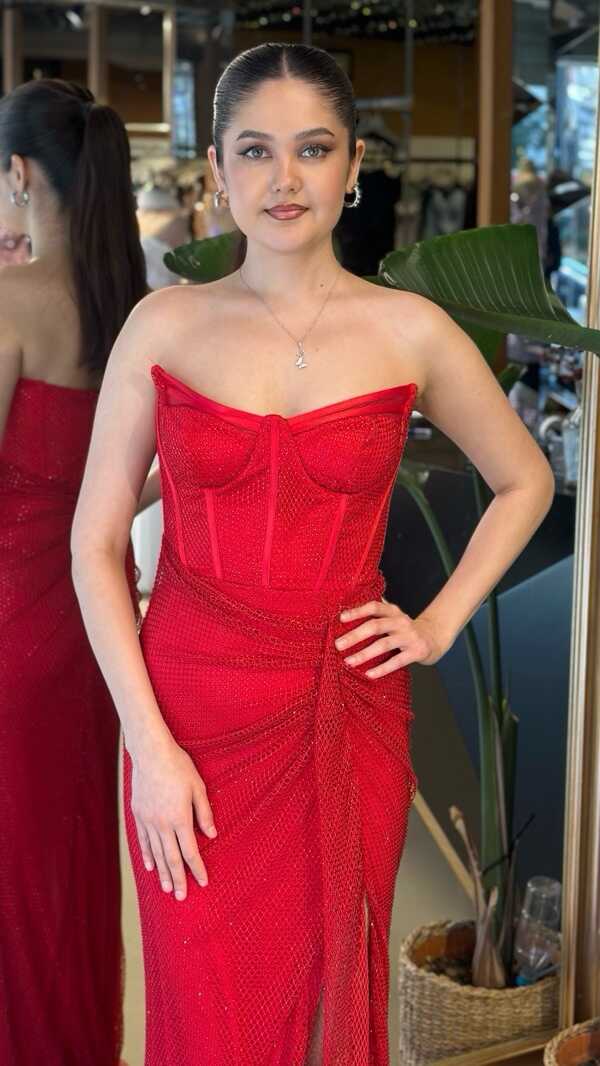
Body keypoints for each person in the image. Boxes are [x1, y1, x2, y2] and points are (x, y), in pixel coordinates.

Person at [71, 43, 555, 1066]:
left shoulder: (410, 330)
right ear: (218, 169)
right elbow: (96, 542)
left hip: (345, 706)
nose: (284, 178)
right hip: (188, 723)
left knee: (330, 994)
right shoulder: (163, 324)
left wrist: (436, 623)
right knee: (208, 1003)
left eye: (313, 148)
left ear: (354, 164)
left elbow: (526, 479)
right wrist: (147, 746)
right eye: (255, 150)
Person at [0, 78, 147, 1065]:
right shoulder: (131, 308)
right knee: (68, 867)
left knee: (14, 882)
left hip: (10, 631)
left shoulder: (11, 300)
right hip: (94, 636)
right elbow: (134, 483)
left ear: (18, 174)